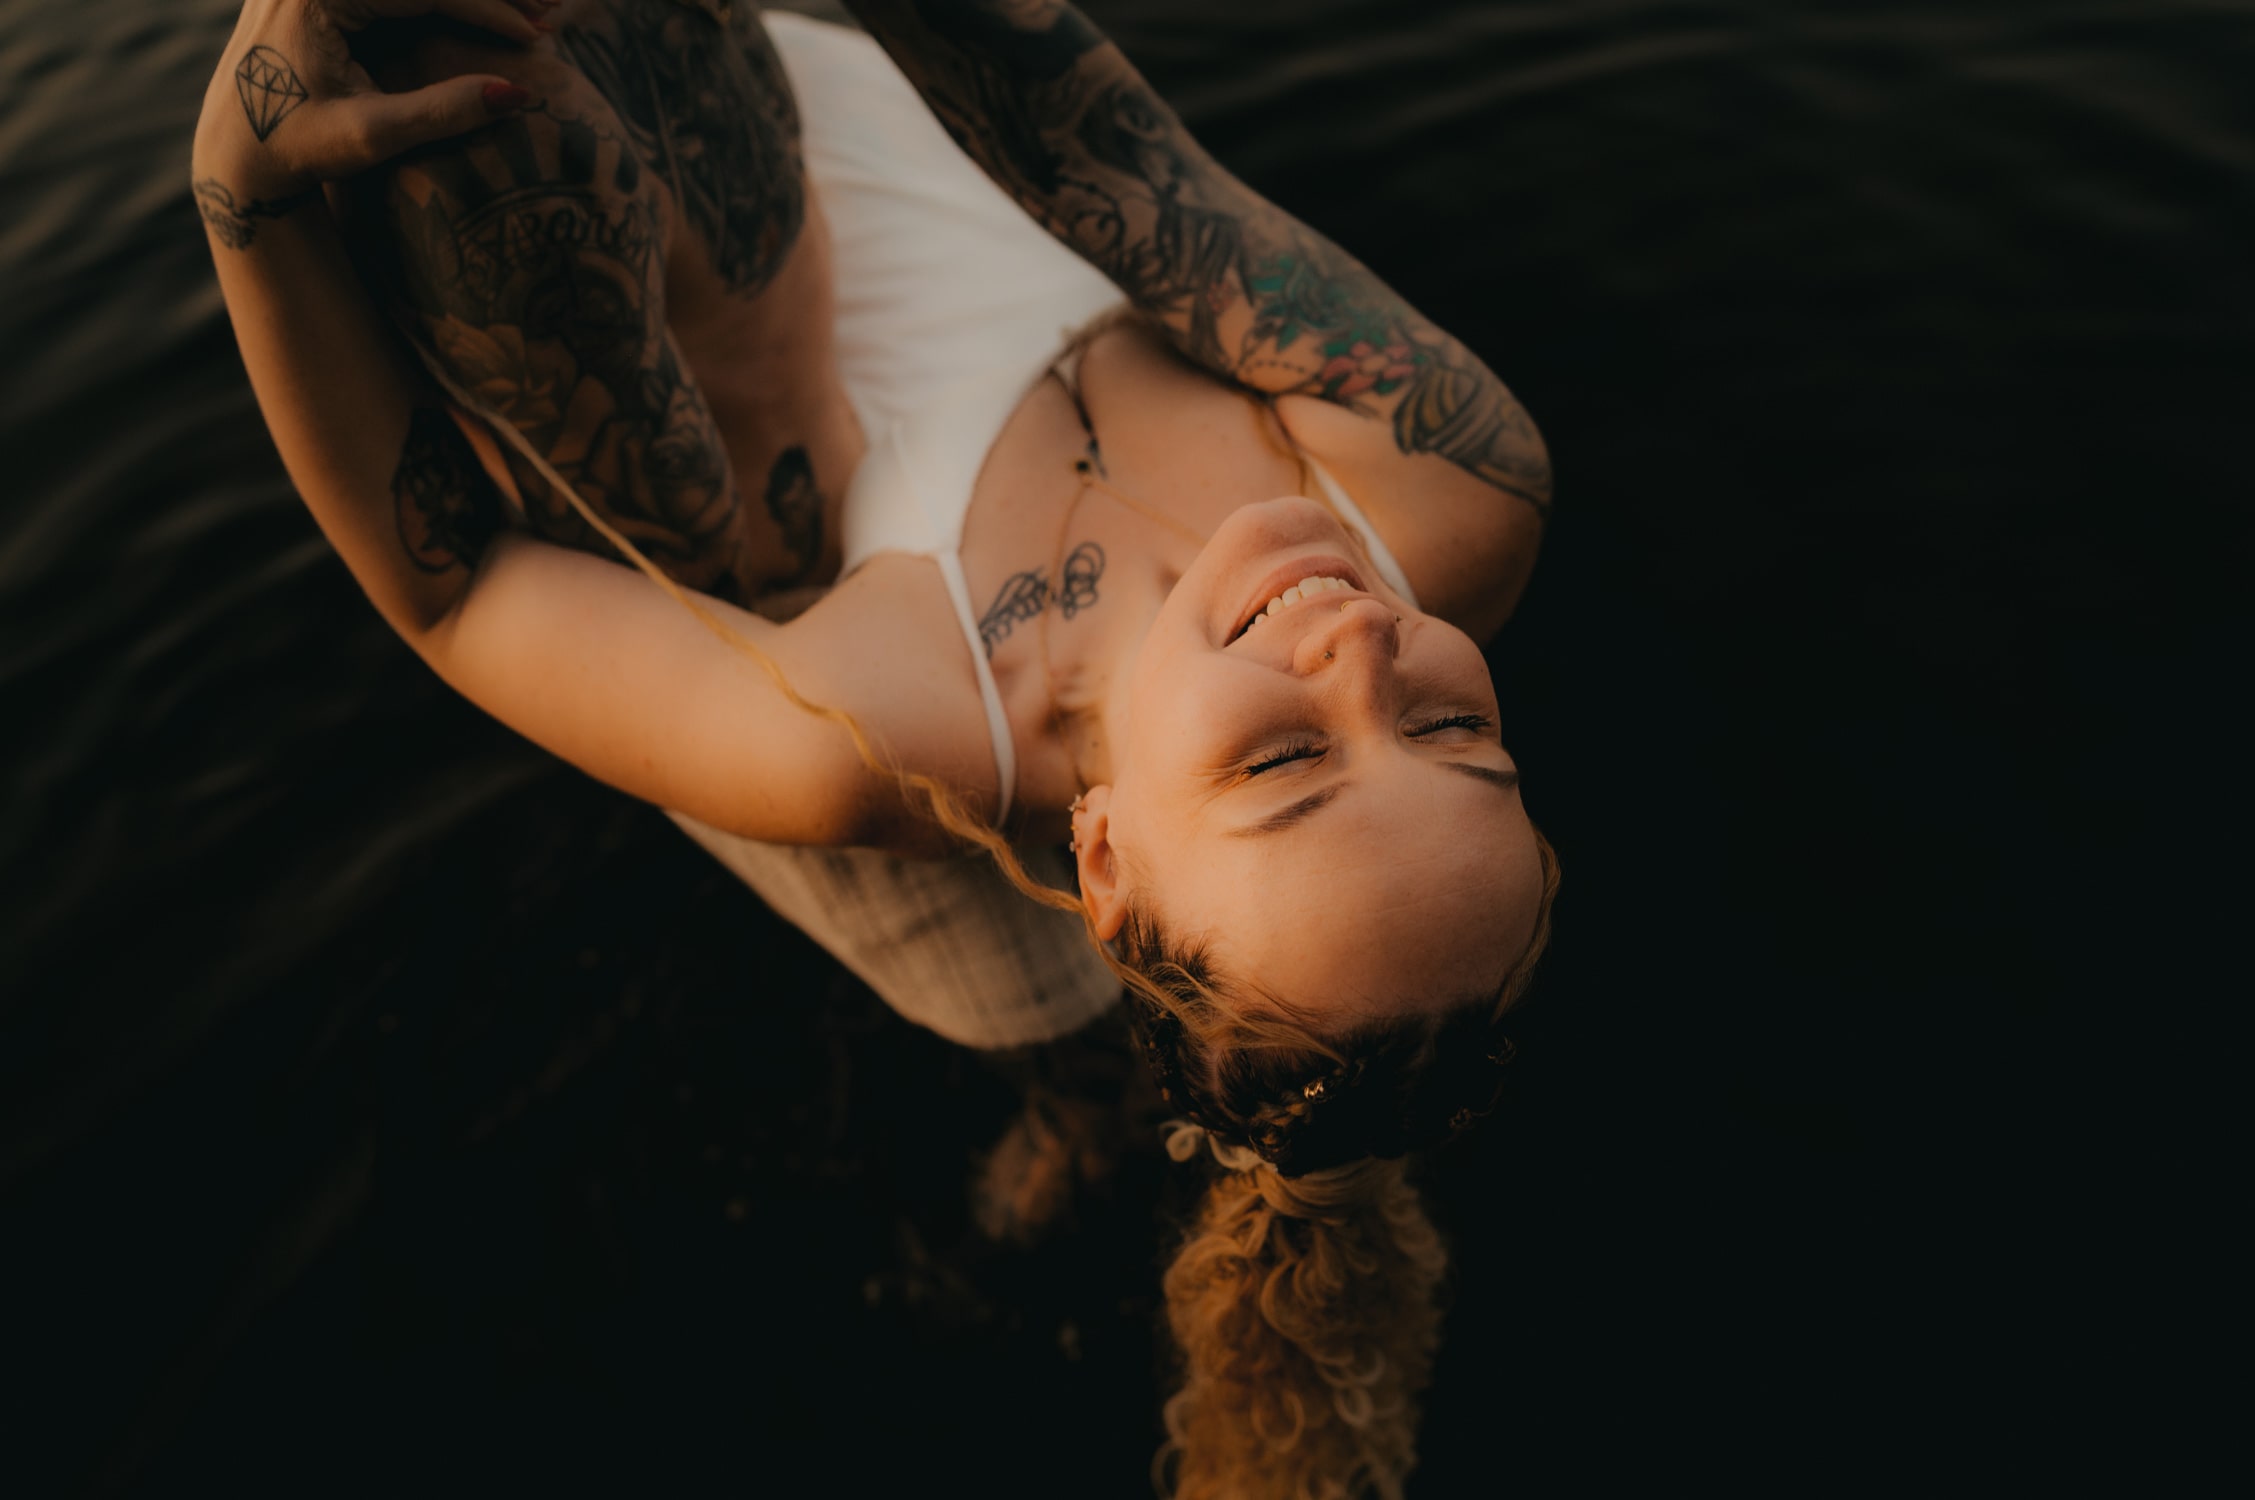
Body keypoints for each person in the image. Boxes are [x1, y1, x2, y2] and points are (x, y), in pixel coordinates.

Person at [192, 1, 1560, 1494]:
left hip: (795, 478)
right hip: (903, 129)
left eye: (1290, 766)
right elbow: (1099, 143)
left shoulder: (875, 730)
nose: (1363, 651)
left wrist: (244, 196)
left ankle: (1083, 1110)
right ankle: (1112, 1097)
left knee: (1036, 1026)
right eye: (1454, 725)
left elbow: (461, 594)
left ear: (1100, 850)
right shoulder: (1449, 496)